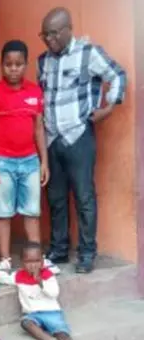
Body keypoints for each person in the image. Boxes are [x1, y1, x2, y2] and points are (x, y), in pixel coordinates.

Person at [38, 7, 127, 273]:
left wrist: (109, 106)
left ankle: (87, 253)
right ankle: (59, 249)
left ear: (68, 30)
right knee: (55, 197)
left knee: (84, 195)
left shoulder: (88, 53)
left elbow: (118, 75)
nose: (48, 40)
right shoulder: (43, 60)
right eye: (45, 35)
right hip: (52, 137)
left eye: (53, 34)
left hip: (79, 134)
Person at [0, 40, 49, 273]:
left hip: (30, 161)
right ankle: (5, 260)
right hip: (2, 162)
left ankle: (36, 258)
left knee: (32, 213)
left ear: (26, 65)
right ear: (1, 65)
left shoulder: (35, 92)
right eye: (8, 64)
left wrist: (44, 162)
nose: (13, 68)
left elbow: (40, 129)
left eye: (18, 64)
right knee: (3, 214)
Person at [14, 242, 78, 340]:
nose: (33, 265)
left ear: (42, 262)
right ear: (22, 262)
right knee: (25, 323)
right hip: (33, 314)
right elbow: (4, 278)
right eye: (28, 262)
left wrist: (41, 283)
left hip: (52, 313)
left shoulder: (48, 275)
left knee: (64, 335)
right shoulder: (18, 276)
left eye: (36, 261)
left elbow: (54, 293)